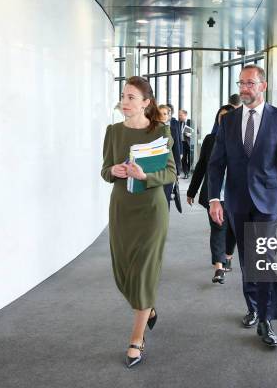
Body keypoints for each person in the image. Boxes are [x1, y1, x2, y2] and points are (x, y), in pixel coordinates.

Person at [208, 64, 277, 348]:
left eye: (249, 83)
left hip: (267, 200)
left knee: (263, 257)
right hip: (237, 200)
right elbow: (216, 163)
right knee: (246, 259)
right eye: (241, 83)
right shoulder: (228, 121)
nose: (244, 88)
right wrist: (215, 198)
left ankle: (266, 318)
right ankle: (252, 306)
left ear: (262, 86)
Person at [100, 76, 177, 368]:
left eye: (131, 97)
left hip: (151, 212)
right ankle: (149, 308)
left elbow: (170, 172)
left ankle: (136, 338)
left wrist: (146, 177)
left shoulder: (161, 132)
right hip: (122, 210)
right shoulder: (113, 132)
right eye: (124, 95)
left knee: (144, 272)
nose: (125, 101)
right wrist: (115, 170)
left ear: (146, 103)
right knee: (124, 274)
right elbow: (105, 171)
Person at [187, 105, 236, 284]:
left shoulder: (242, 140)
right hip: (215, 195)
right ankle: (219, 268)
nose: (223, 120)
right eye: (220, 117)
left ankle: (228, 255)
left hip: (236, 195)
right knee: (218, 228)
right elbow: (201, 167)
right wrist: (192, 191)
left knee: (232, 230)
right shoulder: (210, 140)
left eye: (228, 117)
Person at [159, 104, 182, 209]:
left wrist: (177, 170)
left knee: (166, 197)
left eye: (165, 114)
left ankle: (163, 222)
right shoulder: (151, 129)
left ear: (168, 116)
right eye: (159, 113)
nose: (162, 116)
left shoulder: (172, 129)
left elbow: (176, 149)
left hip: (168, 167)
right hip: (155, 169)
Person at [179, 109, 191, 178]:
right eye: (179, 115)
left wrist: (190, 134)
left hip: (188, 143)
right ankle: (186, 173)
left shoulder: (190, 122)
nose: (179, 116)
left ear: (185, 115)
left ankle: (188, 172)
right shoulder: (179, 123)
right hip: (182, 143)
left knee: (189, 158)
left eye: (181, 115)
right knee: (183, 158)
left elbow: (196, 132)